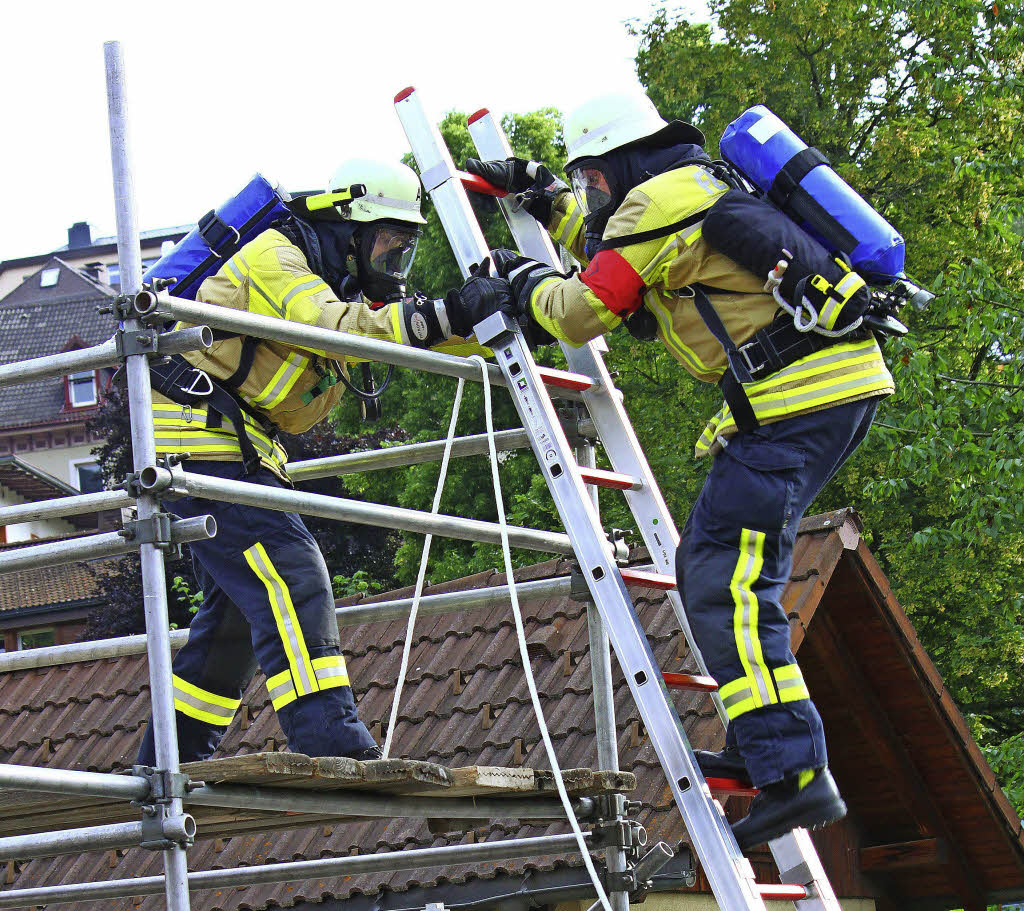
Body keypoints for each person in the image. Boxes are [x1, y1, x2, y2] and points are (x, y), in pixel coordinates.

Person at [457, 89, 895, 849]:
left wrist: (522, 283)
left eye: (595, 178)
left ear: (626, 162)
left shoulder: (656, 202)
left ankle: (795, 773)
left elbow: (581, 308)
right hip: (819, 393)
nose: (593, 193)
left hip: (793, 403)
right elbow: (623, 245)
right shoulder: (689, 187)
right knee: (711, 570)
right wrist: (548, 198)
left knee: (725, 582)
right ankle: (767, 750)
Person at [137, 158, 497, 765]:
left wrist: (497, 316)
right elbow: (330, 328)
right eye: (387, 244)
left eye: (403, 250)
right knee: (294, 574)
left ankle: (170, 759)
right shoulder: (276, 258)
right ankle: (330, 739)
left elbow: (389, 332)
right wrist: (449, 312)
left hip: (233, 446)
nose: (393, 263)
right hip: (197, 443)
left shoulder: (332, 281)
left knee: (232, 622)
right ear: (349, 227)